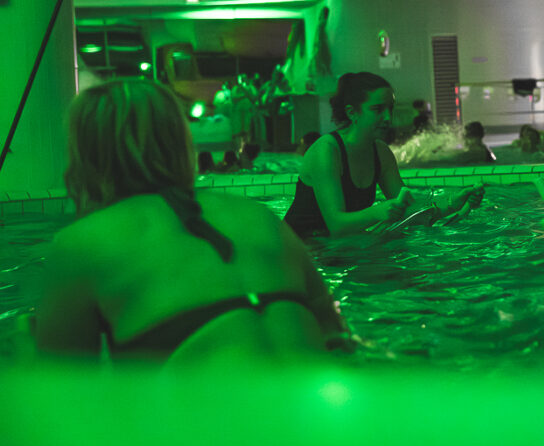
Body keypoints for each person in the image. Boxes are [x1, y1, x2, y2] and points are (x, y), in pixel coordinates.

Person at [35, 79, 350, 364]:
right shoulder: (257, 215)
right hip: (322, 400)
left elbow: (62, 385)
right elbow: (336, 334)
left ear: (86, 154)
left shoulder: (81, 243)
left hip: (216, 409)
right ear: (181, 140)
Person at [283, 72, 483, 239]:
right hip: (296, 248)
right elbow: (336, 225)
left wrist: (452, 204)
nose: (387, 117)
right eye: (377, 109)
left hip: (334, 246)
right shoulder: (327, 151)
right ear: (352, 112)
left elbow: (411, 211)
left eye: (390, 108)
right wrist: (377, 213)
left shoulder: (381, 153)